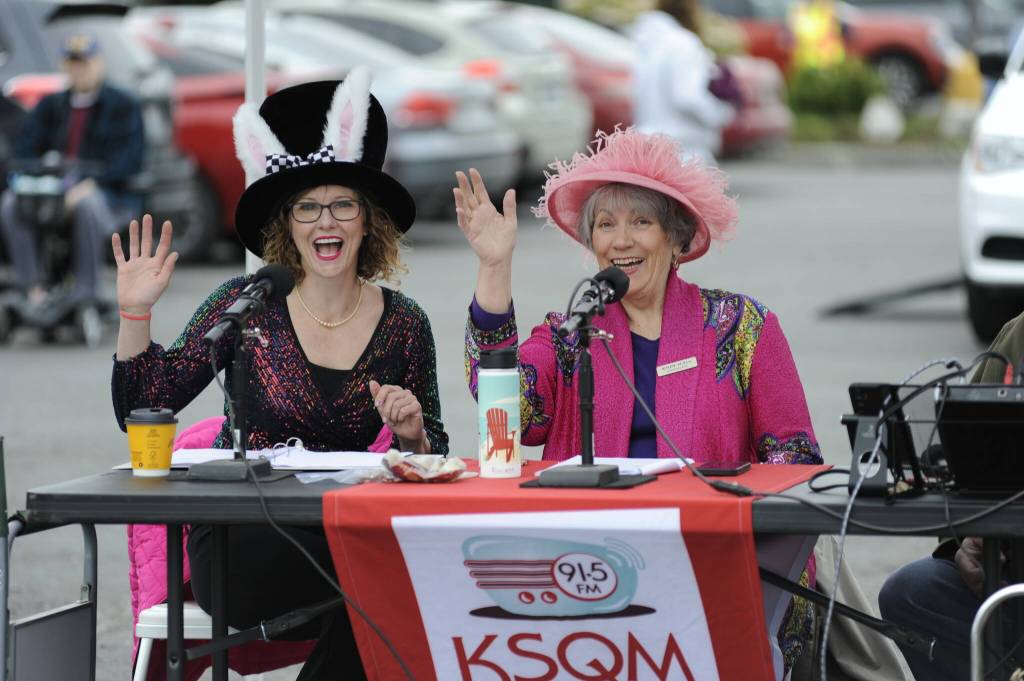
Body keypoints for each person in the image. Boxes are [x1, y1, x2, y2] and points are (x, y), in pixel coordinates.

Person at [111, 67, 448, 680]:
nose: (326, 222)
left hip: (346, 528)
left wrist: (411, 435)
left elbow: (433, 455)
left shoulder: (405, 324)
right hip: (243, 538)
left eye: (343, 205)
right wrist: (135, 311)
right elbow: (144, 402)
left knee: (380, 579)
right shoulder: (244, 305)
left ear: (367, 220)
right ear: (286, 225)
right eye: (307, 208)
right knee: (375, 579)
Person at [457, 127, 823, 672]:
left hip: (716, 562)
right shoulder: (570, 331)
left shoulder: (743, 326)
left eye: (640, 222)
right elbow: (506, 415)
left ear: (676, 238)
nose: (620, 240)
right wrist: (494, 267)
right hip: (586, 569)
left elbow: (797, 463)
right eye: (606, 225)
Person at [878, 311, 1024, 681]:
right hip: (1011, 577)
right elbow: (960, 463)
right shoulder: (1019, 336)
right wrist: (963, 543)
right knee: (911, 593)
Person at [0, 33, 144, 307]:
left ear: (99, 63)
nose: (79, 70)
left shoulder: (122, 106)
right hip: (52, 191)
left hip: (106, 195)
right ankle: (31, 287)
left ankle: (85, 292)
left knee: (87, 205)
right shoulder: (50, 106)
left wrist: (90, 183)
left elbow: (130, 160)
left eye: (85, 62)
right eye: (72, 63)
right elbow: (25, 150)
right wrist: (41, 176)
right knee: (10, 203)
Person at [629, 0, 736, 164]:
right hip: (684, 150)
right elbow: (688, 98)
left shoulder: (644, 41)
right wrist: (721, 113)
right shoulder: (685, 43)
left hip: (647, 143)